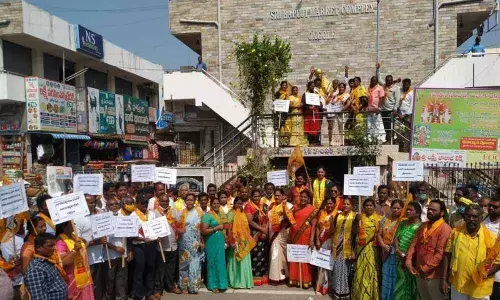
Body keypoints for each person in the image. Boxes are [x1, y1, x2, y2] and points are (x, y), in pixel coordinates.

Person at [442, 204, 500, 299]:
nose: (471, 219)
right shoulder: (455, 233)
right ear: (464, 218)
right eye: (468, 216)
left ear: (481, 218)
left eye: (474, 217)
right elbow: (447, 255)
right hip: (458, 284)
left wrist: (482, 274)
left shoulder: (491, 238)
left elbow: (497, 263)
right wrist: (443, 279)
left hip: (479, 287)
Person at [406, 200, 451, 300]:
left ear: (442, 213)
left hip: (435, 276)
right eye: (429, 209)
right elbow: (414, 244)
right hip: (419, 272)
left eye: (434, 210)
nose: (430, 212)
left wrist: (425, 268)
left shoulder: (445, 229)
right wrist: (408, 261)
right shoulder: (423, 225)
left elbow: (440, 254)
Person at [73, 194, 106, 300]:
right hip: (87, 260)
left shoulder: (100, 213)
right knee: (89, 287)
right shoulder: (77, 218)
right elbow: (78, 242)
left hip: (101, 256)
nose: (92, 205)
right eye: (89, 202)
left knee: (100, 285)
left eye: (93, 202)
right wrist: (96, 242)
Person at [55, 220, 94, 300]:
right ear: (64, 226)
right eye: (71, 223)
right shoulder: (60, 242)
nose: (74, 224)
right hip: (72, 279)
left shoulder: (74, 237)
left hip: (84, 276)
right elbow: (63, 262)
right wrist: (75, 250)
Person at [352, 198, 381, 300]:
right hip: (361, 250)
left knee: (372, 272)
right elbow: (354, 233)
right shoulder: (360, 218)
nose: (369, 207)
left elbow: (380, 234)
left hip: (373, 250)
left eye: (371, 205)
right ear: (363, 207)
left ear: (374, 207)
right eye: (367, 205)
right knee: (361, 272)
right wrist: (356, 221)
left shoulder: (379, 219)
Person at [130, 193, 157, 300]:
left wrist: (157, 234)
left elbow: (155, 228)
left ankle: (149, 293)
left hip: (151, 245)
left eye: (146, 202)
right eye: (142, 203)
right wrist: (142, 239)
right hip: (139, 246)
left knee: (150, 269)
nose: (145, 204)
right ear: (137, 204)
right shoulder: (133, 216)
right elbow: (131, 234)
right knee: (139, 271)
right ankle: (138, 294)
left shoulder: (152, 214)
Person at [289, 190, 318, 288]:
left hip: (306, 236)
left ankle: (306, 280)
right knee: (295, 256)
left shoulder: (313, 209)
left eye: (305, 197)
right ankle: (294, 279)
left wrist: (312, 239)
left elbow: (314, 225)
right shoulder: (295, 207)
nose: (303, 199)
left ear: (309, 199)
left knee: (304, 257)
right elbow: (287, 217)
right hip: (294, 235)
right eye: (301, 196)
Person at [153, 193, 181, 297]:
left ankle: (170, 286)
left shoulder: (173, 211)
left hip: (173, 244)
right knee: (160, 269)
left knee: (171, 268)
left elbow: (179, 223)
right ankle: (158, 290)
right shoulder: (154, 213)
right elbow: (152, 228)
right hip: (161, 246)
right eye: (163, 201)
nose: (165, 203)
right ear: (159, 201)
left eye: (167, 201)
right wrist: (156, 237)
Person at [330, 197, 358, 299]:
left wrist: (354, 250)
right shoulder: (338, 215)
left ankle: (345, 292)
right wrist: (331, 222)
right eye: (344, 204)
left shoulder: (355, 217)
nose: (345, 206)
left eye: (348, 204)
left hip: (348, 245)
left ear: (352, 206)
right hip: (337, 244)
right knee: (337, 268)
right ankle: (337, 291)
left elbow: (356, 234)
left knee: (346, 269)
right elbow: (333, 230)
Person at [25, 233, 67, 300]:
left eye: (54, 245)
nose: (54, 248)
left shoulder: (48, 261)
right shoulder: (36, 269)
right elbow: (38, 297)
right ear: (39, 248)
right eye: (50, 246)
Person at [176, 193, 204, 294]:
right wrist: (179, 230)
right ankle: (183, 286)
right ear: (185, 201)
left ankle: (193, 287)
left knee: (195, 263)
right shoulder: (180, 213)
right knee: (184, 264)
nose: (189, 202)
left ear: (195, 201)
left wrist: (202, 241)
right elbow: (176, 226)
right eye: (188, 200)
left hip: (195, 242)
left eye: (191, 200)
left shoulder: (199, 212)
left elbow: (202, 228)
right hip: (184, 242)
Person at [393, 202, 422, 300]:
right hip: (398, 257)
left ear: (418, 213)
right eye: (407, 209)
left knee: (412, 285)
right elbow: (396, 238)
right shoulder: (402, 223)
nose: (408, 211)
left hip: (412, 261)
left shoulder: (421, 227)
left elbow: (418, 245)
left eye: (411, 210)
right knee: (400, 283)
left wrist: (407, 257)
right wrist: (398, 250)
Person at [201, 198, 229, 293]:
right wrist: (216, 228)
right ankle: (212, 285)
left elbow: (225, 226)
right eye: (214, 203)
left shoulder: (221, 215)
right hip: (211, 241)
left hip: (220, 241)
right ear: (211, 204)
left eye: (218, 203)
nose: (216, 205)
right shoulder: (207, 215)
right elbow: (203, 231)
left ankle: (222, 284)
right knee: (212, 262)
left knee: (220, 262)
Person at [226, 197, 255, 289]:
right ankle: (235, 282)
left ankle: (245, 282)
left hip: (244, 242)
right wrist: (231, 241)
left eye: (240, 203)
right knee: (235, 261)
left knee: (244, 262)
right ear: (234, 204)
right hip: (235, 241)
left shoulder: (243, 214)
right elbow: (228, 228)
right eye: (237, 203)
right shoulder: (231, 214)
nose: (239, 205)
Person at [268, 188, 295, 285]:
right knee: (275, 254)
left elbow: (289, 220)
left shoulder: (289, 206)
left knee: (284, 256)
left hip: (284, 234)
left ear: (283, 196)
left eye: (278, 195)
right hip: (274, 234)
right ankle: (275, 277)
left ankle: (286, 276)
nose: (276, 197)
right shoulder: (271, 206)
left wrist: (284, 208)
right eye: (275, 195)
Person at [378, 199, 404, 300]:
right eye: (394, 208)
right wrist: (383, 245)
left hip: (397, 253)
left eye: (398, 208)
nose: (396, 210)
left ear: (402, 209)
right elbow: (379, 234)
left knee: (395, 277)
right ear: (390, 208)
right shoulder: (385, 218)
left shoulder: (403, 221)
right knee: (386, 277)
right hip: (386, 251)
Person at [105, 198, 130, 300]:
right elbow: (103, 240)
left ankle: (121, 298)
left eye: (116, 204)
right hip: (110, 255)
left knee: (122, 279)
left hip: (123, 254)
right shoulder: (104, 219)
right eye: (111, 204)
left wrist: (130, 251)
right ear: (107, 206)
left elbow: (129, 234)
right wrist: (115, 248)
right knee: (110, 280)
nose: (114, 206)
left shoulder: (123, 217)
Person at [244, 189, 269, 285]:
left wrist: (265, 231)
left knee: (264, 254)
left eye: (258, 196)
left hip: (264, 234)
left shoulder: (265, 206)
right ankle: (255, 278)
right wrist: (261, 230)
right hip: (253, 234)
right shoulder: (248, 206)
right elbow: (250, 221)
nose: (257, 198)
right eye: (255, 196)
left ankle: (263, 277)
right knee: (255, 255)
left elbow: (267, 219)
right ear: (251, 197)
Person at [315, 196, 338, 295]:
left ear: (334, 204)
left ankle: (327, 285)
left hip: (331, 240)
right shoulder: (321, 213)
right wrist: (317, 239)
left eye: (331, 203)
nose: (329, 205)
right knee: (321, 263)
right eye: (327, 203)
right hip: (321, 240)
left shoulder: (337, 214)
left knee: (328, 263)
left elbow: (334, 231)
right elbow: (317, 227)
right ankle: (320, 283)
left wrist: (332, 223)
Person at [376, 62, 401, 143]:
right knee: (386, 125)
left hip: (391, 110)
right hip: (383, 109)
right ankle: (388, 139)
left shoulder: (396, 88)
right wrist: (378, 69)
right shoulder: (383, 86)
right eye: (387, 80)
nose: (388, 82)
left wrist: (395, 108)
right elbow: (379, 79)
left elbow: (397, 99)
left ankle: (391, 140)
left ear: (392, 80)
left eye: (389, 80)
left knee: (391, 125)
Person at [483, 195, 500, 299]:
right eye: (490, 206)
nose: (491, 208)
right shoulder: (481, 220)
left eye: (495, 207)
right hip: (480, 271)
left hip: (497, 276)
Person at [1, 225, 24, 299]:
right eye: (22, 225)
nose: (24, 228)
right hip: (18, 279)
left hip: (10, 280)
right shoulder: (18, 239)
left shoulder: (3, 239)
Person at [303, 81, 322, 146]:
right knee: (309, 127)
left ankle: (315, 142)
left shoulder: (316, 93)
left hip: (315, 112)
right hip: (309, 113)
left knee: (315, 127)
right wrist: (309, 107)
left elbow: (319, 102)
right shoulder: (305, 94)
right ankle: (310, 142)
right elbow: (303, 104)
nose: (313, 87)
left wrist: (316, 105)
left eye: (314, 86)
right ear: (308, 86)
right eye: (311, 86)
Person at [367, 75, 385, 142]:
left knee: (376, 124)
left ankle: (375, 139)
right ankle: (369, 139)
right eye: (371, 80)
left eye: (374, 80)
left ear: (377, 81)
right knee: (369, 125)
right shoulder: (369, 87)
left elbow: (381, 99)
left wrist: (379, 108)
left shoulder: (380, 88)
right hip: (369, 109)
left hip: (376, 109)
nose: (372, 81)